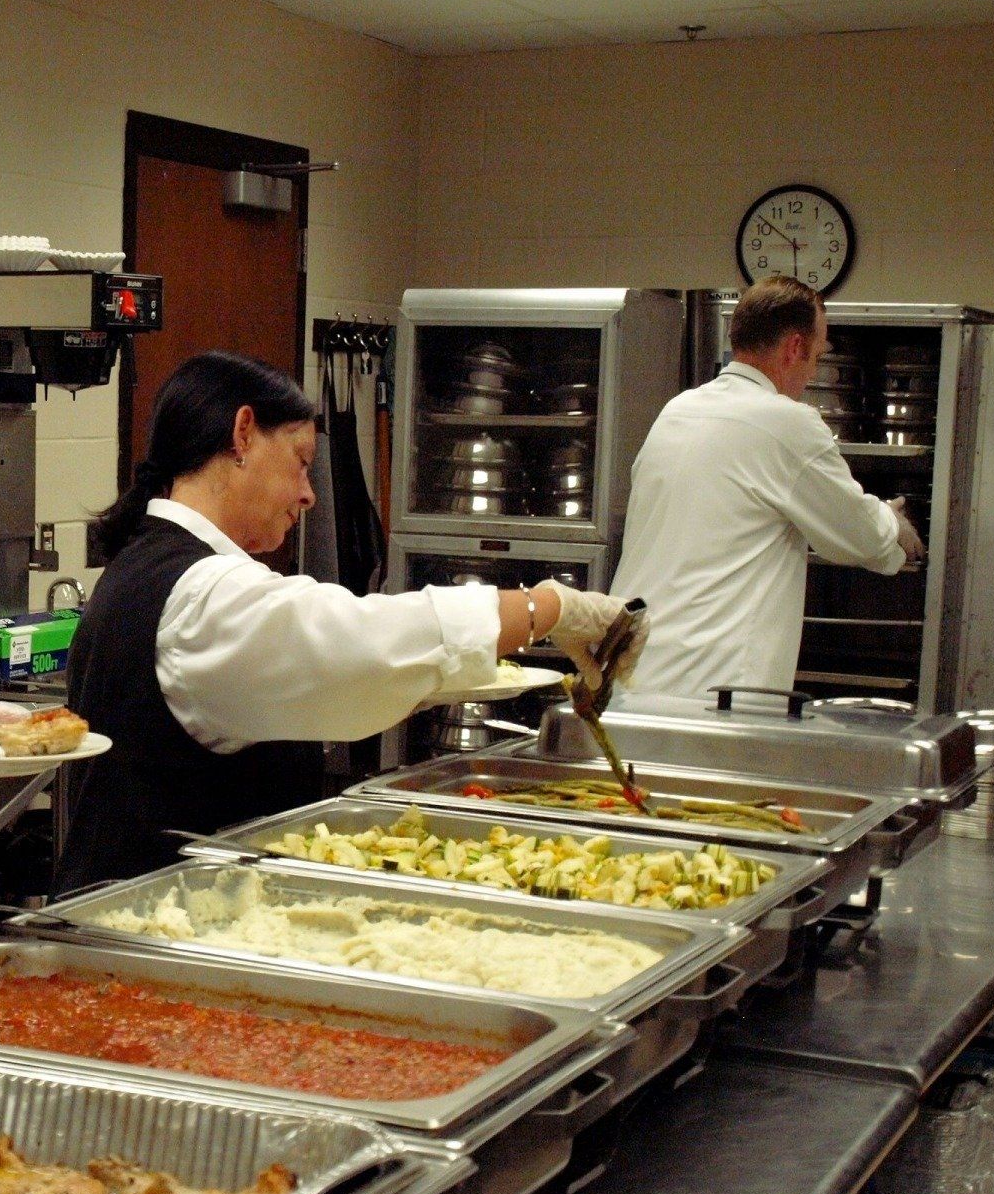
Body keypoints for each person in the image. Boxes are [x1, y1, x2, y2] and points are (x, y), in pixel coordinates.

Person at [56, 350, 645, 891]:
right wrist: (550, 608)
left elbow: (331, 675)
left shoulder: (149, 565)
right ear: (242, 435)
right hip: (147, 942)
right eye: (301, 461)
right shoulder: (202, 597)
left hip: (143, 919)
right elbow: (364, 640)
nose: (310, 494)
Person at [610, 275, 924, 699]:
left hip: (628, 673)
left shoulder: (679, 409)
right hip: (707, 688)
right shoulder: (788, 423)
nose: (812, 372)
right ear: (794, 348)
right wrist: (898, 526)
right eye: (816, 356)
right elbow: (860, 536)